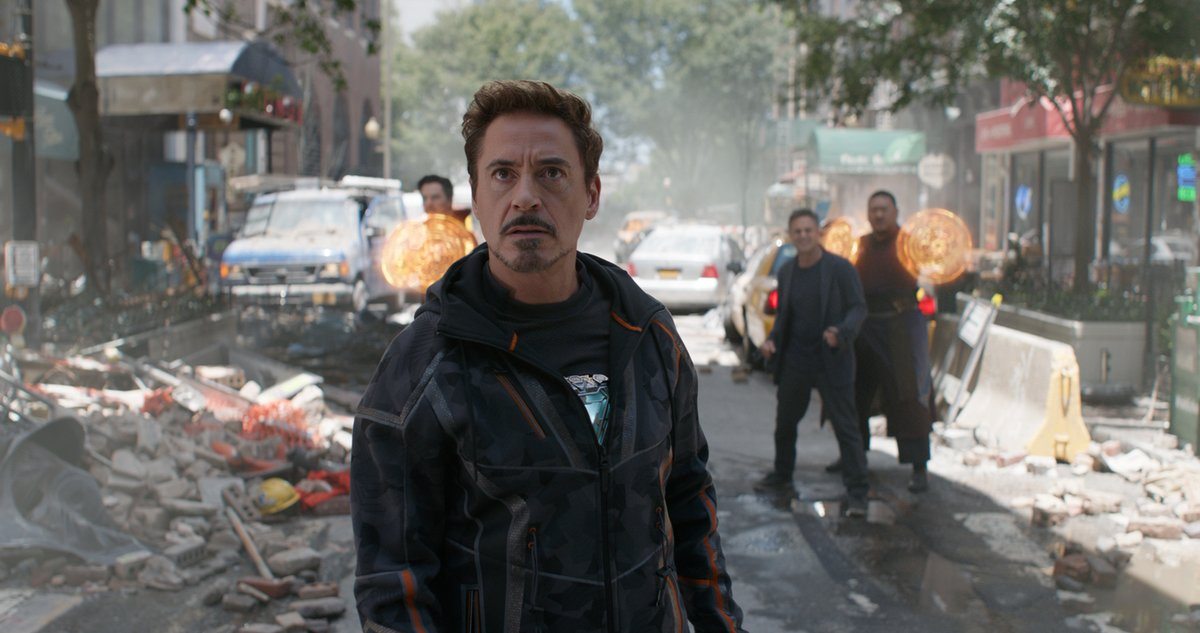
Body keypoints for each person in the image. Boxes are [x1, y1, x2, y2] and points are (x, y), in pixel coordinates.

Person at [351, 80, 745, 632]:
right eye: (502, 174)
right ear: (476, 198)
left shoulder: (648, 335)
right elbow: (394, 585)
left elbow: (690, 502)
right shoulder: (423, 368)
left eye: (552, 173)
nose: (525, 197)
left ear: (592, 195)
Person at [756, 209, 869, 517]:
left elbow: (858, 308)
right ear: (791, 236)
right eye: (798, 231)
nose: (803, 236)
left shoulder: (840, 269)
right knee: (785, 423)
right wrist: (772, 341)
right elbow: (784, 317)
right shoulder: (788, 271)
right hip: (796, 359)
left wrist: (841, 332)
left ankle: (858, 492)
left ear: (818, 233)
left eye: (808, 230)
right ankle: (782, 476)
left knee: (845, 427)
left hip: (832, 358)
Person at [850, 190, 934, 493]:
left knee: (910, 395)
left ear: (895, 212)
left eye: (884, 209)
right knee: (854, 392)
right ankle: (854, 457)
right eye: (873, 209)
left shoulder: (911, 244)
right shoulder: (859, 246)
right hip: (865, 324)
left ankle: (918, 466)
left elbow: (937, 267)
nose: (879, 214)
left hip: (901, 325)